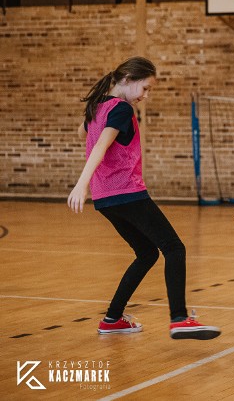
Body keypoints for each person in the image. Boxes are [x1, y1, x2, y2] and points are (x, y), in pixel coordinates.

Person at [67, 56, 220, 341]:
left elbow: (83, 134)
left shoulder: (98, 107)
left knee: (147, 253)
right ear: (127, 79)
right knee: (174, 248)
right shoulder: (122, 108)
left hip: (106, 199)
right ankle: (179, 319)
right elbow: (100, 144)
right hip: (126, 192)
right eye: (145, 88)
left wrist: (90, 181)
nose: (146, 96)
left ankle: (113, 319)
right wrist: (81, 183)